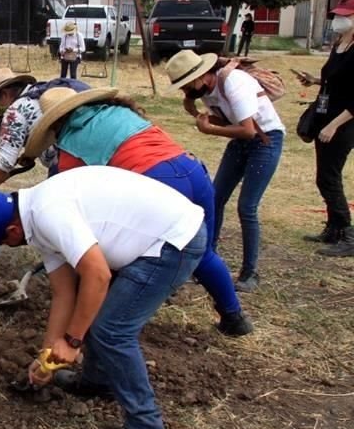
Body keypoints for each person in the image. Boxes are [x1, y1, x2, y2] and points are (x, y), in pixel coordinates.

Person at [0, 166, 207, 429]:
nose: (7, 246)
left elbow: (97, 275)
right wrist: (47, 359)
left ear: (12, 231)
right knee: (91, 311)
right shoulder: (34, 215)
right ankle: (98, 381)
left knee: (112, 330)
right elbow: (64, 293)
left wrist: (72, 342)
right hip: (155, 236)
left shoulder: (48, 214)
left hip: (172, 242)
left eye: (3, 242)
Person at [29, 86, 255, 335]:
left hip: (159, 180)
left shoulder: (73, 141)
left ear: (56, 122)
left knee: (124, 251)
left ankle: (105, 320)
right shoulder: (117, 112)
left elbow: (71, 199)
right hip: (191, 169)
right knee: (202, 251)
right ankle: (234, 317)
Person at [167, 50, 285, 292]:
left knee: (247, 207)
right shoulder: (207, 90)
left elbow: (248, 130)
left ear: (201, 76)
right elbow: (229, 120)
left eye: (186, 85)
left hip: (266, 140)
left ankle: (249, 273)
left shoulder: (233, 82)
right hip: (243, 141)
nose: (185, 91)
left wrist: (209, 130)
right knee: (214, 198)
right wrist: (197, 114)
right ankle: (207, 262)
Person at [0, 68, 87, 207]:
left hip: (69, 164)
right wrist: (31, 153)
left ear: (4, 95)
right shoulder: (40, 93)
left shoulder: (15, 111)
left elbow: (3, 163)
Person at [296, 0, 354, 257]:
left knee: (329, 177)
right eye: (338, 15)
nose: (338, 20)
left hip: (343, 122)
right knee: (324, 176)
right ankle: (333, 228)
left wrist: (334, 125)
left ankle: (346, 232)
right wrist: (315, 81)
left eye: (345, 16)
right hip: (325, 115)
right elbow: (336, 81)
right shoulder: (339, 43)